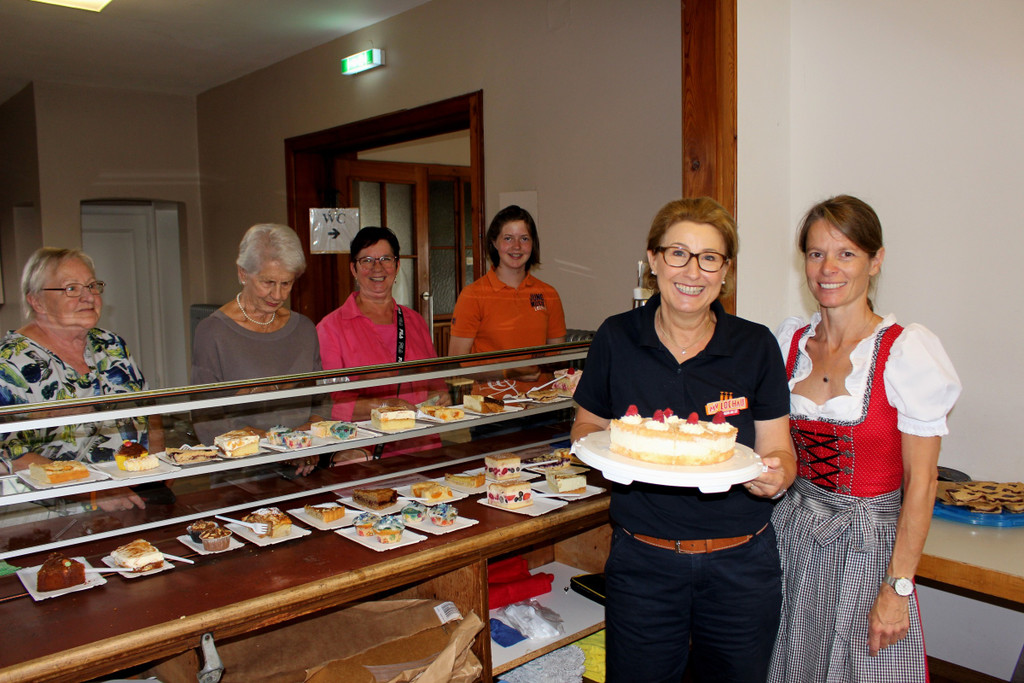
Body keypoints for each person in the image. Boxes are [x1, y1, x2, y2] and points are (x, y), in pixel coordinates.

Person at [571, 197, 796, 683]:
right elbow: (586, 428)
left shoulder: (756, 345)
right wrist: (610, 450)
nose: (692, 271)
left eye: (709, 257)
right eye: (678, 253)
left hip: (741, 564)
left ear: (725, 270)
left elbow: (780, 451)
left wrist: (776, 475)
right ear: (653, 260)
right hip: (644, 561)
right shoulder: (615, 337)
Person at [768, 195, 961, 683]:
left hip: (869, 546)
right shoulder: (789, 343)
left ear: (875, 262)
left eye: (846, 253)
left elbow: (922, 483)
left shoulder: (905, 352)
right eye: (816, 254)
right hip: (792, 533)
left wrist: (898, 587)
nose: (828, 268)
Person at [0, 247, 160, 511]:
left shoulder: (111, 345)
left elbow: (148, 409)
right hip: (53, 514)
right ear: (37, 301)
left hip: (132, 498)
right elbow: (9, 457)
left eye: (92, 285)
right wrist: (93, 490)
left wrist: (157, 474)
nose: (88, 296)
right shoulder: (10, 363)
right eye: (71, 288)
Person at [191, 223, 323, 475]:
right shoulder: (213, 331)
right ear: (243, 273)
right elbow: (206, 417)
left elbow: (321, 399)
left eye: (286, 283)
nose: (278, 294)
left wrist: (309, 439)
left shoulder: (304, 329)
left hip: (303, 467)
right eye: (268, 282)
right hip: (242, 473)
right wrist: (276, 446)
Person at [316, 226, 448, 460]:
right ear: (353, 269)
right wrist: (383, 405)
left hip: (423, 448)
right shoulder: (330, 328)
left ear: (397, 266)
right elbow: (329, 405)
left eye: (385, 259)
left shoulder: (415, 321)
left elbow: (435, 380)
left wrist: (441, 396)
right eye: (367, 260)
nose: (377, 268)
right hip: (363, 455)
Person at [448, 205, 566, 381]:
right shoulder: (472, 295)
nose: (517, 246)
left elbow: (557, 359)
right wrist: (507, 372)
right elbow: (457, 364)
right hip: (491, 398)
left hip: (541, 395)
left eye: (524, 238)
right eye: (508, 238)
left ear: (533, 244)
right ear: (494, 242)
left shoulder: (548, 294)